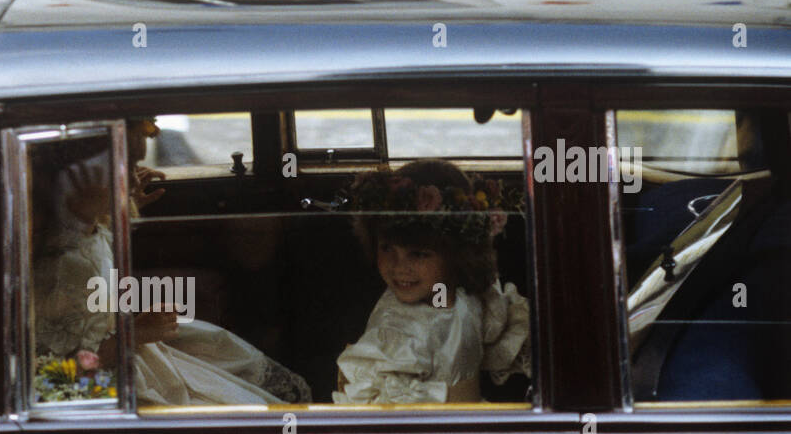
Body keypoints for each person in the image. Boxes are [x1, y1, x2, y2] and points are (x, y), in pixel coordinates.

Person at [32, 124, 311, 405]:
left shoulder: (84, 231)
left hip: (130, 349)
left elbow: (100, 251)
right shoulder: (60, 266)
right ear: (79, 178)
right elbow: (63, 371)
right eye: (121, 166)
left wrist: (124, 207)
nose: (131, 179)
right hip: (107, 379)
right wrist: (133, 334)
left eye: (134, 164)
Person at [333, 159, 530, 404]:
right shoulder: (409, 318)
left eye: (419, 253)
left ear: (457, 253)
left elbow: (449, 321)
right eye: (387, 248)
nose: (399, 266)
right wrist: (456, 395)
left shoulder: (442, 301)